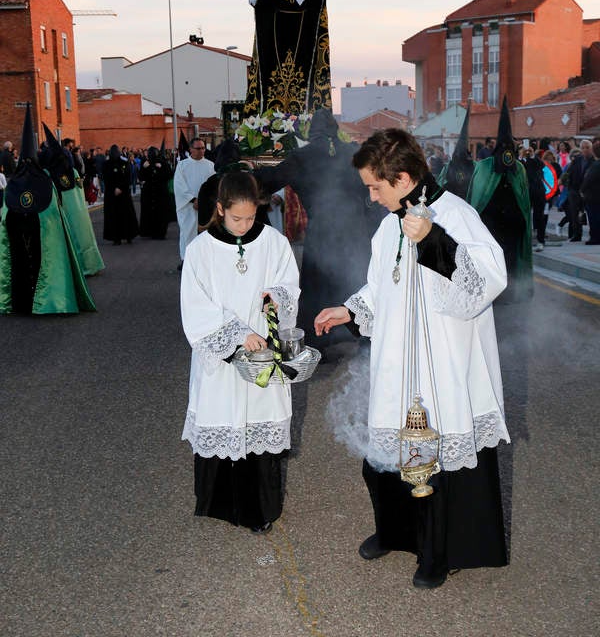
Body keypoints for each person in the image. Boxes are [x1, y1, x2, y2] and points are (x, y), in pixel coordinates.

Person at [314, 128, 509, 589]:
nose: (371, 196)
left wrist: (436, 239)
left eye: (375, 187)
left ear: (402, 178)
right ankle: (395, 532)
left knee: (437, 461)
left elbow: (489, 279)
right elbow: (383, 288)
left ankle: (438, 553)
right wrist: (350, 308)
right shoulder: (388, 226)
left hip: (444, 364)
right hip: (398, 362)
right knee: (385, 456)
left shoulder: (456, 215)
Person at [180, 171, 300, 533]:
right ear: (219, 208)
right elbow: (195, 305)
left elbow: (290, 286)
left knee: (260, 426)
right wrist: (235, 335)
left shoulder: (274, 242)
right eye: (236, 218)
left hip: (263, 354)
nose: (245, 225)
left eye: (251, 217)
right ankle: (221, 505)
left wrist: (276, 297)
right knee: (224, 419)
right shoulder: (200, 250)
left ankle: (259, 510)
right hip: (222, 360)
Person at [255, 107, 384, 355]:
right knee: (356, 279)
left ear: (311, 131)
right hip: (357, 233)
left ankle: (319, 341)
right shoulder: (354, 153)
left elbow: (267, 180)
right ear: (335, 129)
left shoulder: (302, 157)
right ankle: (367, 339)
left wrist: (244, 171)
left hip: (322, 233)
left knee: (318, 287)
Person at [0, 105, 95, 314]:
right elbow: (52, 213)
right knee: (36, 266)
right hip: (39, 236)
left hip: (23, 237)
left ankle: (22, 304)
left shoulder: (15, 182)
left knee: (22, 267)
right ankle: (43, 300)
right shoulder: (44, 181)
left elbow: (6, 215)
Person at [242, 0, 332, 114]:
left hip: (302, 40)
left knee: (300, 80)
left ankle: (301, 118)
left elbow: (318, 5)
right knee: (272, 79)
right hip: (276, 39)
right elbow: (265, 6)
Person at [468, 97, 532, 303]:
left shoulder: (518, 168)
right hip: (491, 225)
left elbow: (523, 197)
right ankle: (494, 292)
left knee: (509, 260)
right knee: (493, 261)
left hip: (510, 226)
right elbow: (477, 197)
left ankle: (509, 291)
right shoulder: (485, 167)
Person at [39, 124, 104, 276]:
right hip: (76, 209)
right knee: (80, 232)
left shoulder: (49, 175)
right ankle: (88, 264)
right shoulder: (72, 171)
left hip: (65, 204)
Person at [173, 137, 214, 267]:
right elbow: (179, 186)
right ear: (191, 149)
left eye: (203, 148)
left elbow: (214, 185)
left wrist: (204, 201)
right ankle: (186, 260)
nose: (201, 151)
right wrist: (193, 200)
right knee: (187, 232)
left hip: (206, 206)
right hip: (188, 206)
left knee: (206, 233)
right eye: (198, 148)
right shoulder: (182, 165)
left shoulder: (210, 165)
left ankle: (204, 262)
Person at [102, 144, 139, 245]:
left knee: (126, 215)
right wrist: (114, 188)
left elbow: (127, 177)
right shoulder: (106, 164)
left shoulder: (124, 163)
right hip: (112, 194)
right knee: (113, 216)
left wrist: (120, 187)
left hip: (123, 194)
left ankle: (128, 236)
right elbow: (106, 178)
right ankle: (115, 238)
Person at [138, 146, 173, 239]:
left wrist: (161, 168)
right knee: (149, 212)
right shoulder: (145, 163)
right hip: (149, 192)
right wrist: (144, 168)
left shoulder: (163, 163)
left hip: (160, 192)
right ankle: (149, 231)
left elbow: (169, 175)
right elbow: (141, 177)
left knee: (161, 212)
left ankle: (160, 232)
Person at [564, 139, 594, 242]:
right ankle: (577, 235)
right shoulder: (577, 160)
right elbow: (569, 173)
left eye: (587, 148)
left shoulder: (594, 161)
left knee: (590, 214)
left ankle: (593, 235)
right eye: (583, 148)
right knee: (574, 214)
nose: (585, 150)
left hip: (589, 192)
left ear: (591, 149)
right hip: (575, 190)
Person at [580, 137, 600, 245]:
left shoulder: (596, 165)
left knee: (594, 218)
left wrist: (582, 190)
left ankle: (595, 237)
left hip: (593, 196)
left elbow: (588, 180)